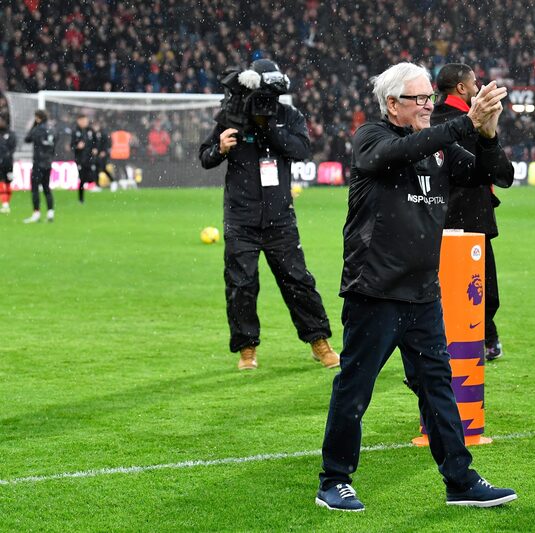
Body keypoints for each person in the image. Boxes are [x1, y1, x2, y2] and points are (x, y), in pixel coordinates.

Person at [316, 63, 517, 512]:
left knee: (438, 388)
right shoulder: (371, 137)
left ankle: (460, 481)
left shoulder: (438, 148)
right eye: (420, 99)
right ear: (392, 104)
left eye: (430, 97)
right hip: (376, 289)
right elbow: (399, 152)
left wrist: (486, 133)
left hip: (424, 291)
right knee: (356, 388)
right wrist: (464, 123)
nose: (430, 105)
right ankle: (333, 480)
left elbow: (496, 174)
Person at [199, 58, 339, 371]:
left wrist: (270, 128)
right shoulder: (232, 117)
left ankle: (320, 343)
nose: (265, 103)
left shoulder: (288, 116)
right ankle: (246, 350)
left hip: (280, 219)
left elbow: (301, 150)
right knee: (241, 285)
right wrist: (220, 147)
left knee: (298, 281)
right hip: (241, 218)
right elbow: (205, 158)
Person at [431, 63, 505, 360]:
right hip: (472, 216)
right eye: (474, 83)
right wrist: (490, 136)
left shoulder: (431, 119)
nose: (478, 87)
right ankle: (484, 337)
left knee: (440, 287)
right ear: (461, 88)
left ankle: (445, 340)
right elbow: (501, 173)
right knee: (483, 288)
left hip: (437, 216)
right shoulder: (468, 122)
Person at [23, 110, 56, 223]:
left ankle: (36, 213)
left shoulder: (37, 130)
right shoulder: (52, 129)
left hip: (38, 163)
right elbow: (55, 142)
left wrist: (34, 125)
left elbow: (27, 139)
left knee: (35, 188)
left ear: (37, 118)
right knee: (47, 188)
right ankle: (50, 212)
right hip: (48, 163)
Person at [71, 113, 97, 203]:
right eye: (83, 121)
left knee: (91, 174)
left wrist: (95, 148)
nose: (85, 122)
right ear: (79, 121)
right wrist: (77, 146)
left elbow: (95, 141)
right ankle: (81, 199)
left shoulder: (91, 130)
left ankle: (93, 185)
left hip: (90, 158)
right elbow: (71, 146)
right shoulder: (75, 131)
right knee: (82, 178)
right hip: (80, 159)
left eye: (86, 121)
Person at [92, 119, 117, 191]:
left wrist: (104, 151)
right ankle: (97, 185)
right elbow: (93, 144)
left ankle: (113, 181)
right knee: (96, 169)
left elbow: (107, 144)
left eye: (96, 125)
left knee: (103, 168)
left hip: (103, 155)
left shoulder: (104, 134)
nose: (95, 127)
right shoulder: (94, 134)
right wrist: (93, 149)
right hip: (96, 155)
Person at [0, 116, 16, 213]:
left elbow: (13, 147)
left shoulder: (11, 134)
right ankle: (5, 204)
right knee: (1, 182)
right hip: (1, 163)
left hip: (8, 163)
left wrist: (6, 156)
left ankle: (6, 204)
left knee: (8, 182)